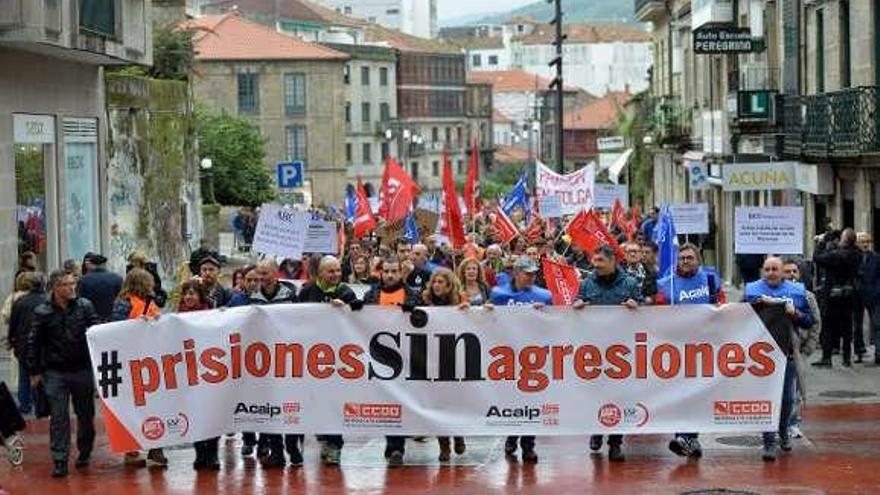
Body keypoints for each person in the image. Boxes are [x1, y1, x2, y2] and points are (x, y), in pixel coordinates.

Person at [26, 270, 100, 478]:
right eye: (67, 284)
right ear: (56, 288)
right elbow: (33, 343)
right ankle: (60, 459)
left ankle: (84, 451)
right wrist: (34, 371)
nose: (72, 287)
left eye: (73, 283)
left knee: (86, 416)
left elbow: (96, 331)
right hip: (55, 371)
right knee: (58, 417)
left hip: (81, 369)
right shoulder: (42, 311)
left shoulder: (85, 306)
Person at [654, 243, 724, 459]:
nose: (685, 261)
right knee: (681, 394)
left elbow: (722, 305)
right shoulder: (666, 284)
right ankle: (686, 437)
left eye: (689, 258)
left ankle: (688, 437)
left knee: (698, 394)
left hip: (704, 347)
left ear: (698, 260)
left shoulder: (711, 280)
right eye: (682, 258)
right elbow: (657, 313)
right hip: (675, 348)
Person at [743, 256, 814, 461]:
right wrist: (754, 307)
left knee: (787, 400)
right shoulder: (752, 290)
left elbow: (809, 322)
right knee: (767, 400)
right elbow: (738, 315)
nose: (771, 273)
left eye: (775, 269)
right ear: (762, 271)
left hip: (788, 353)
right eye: (767, 269)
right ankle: (769, 442)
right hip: (762, 356)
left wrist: (795, 314)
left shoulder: (797, 292)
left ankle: (783, 430)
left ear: (783, 271)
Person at [574, 244, 641, 462]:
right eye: (595, 261)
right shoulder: (586, 284)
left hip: (621, 353)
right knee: (595, 395)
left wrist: (637, 306)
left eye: (601, 261)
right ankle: (596, 431)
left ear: (613, 261)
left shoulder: (630, 284)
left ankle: (615, 443)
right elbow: (576, 307)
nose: (596, 265)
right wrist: (578, 306)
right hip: (594, 353)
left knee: (619, 397)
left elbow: (645, 314)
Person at [489, 255, 552, 464]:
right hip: (506, 356)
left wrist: (546, 314)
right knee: (510, 400)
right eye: (528, 273)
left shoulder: (543, 295)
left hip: (533, 357)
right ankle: (511, 436)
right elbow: (490, 320)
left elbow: (555, 323)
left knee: (531, 400)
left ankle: (528, 445)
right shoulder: (499, 294)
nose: (532, 277)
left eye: (534, 273)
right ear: (516, 273)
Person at [297, 256, 358, 465]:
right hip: (311, 357)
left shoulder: (346, 292)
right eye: (331, 271)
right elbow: (293, 317)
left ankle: (335, 445)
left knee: (334, 402)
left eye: (338, 271)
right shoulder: (307, 291)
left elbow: (361, 317)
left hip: (338, 359)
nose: (336, 275)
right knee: (315, 399)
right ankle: (323, 434)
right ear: (320, 273)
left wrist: (347, 309)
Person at [362, 257, 420, 467]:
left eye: (394, 271)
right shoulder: (371, 295)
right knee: (387, 402)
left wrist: (412, 309)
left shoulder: (412, 294)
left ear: (400, 272)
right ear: (381, 273)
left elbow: (424, 318)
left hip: (407, 355)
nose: (389, 275)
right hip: (381, 356)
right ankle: (392, 442)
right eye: (386, 271)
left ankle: (397, 446)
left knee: (401, 402)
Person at [247, 260, 300, 467]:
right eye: (259, 273)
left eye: (265, 274)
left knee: (293, 406)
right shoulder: (251, 297)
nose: (261, 278)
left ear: (275, 274)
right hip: (264, 361)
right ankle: (276, 450)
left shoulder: (291, 295)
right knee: (269, 406)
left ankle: (293, 446)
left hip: (289, 358)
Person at [110, 268, 165, 468]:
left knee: (154, 405)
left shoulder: (150, 303)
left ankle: (156, 447)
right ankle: (131, 451)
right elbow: (116, 330)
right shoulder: (124, 304)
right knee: (131, 407)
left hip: (149, 361)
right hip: (130, 362)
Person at [419, 268, 467, 462]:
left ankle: (458, 434)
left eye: (441, 282)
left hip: (455, 356)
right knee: (437, 403)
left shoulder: (460, 301)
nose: (437, 285)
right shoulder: (424, 300)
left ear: (449, 285)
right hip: (431, 357)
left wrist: (468, 311)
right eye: (435, 282)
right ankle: (444, 446)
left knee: (455, 402)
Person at [174, 279, 219, 470]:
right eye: (186, 293)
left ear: (200, 295)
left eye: (192, 293)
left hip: (210, 371)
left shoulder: (212, 314)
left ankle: (213, 453)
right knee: (194, 414)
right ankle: (200, 453)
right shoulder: (176, 317)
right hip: (188, 373)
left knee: (213, 413)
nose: (188, 297)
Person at [781, 258, 821, 439]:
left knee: (795, 388)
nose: (791, 275)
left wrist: (808, 349)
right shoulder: (775, 295)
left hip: (798, 351)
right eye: (787, 272)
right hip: (777, 351)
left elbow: (815, 323)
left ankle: (793, 422)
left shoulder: (807, 296)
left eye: (794, 272)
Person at [813, 228, 861, 367]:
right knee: (847, 327)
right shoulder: (857, 254)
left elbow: (817, 257)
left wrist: (821, 242)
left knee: (828, 326)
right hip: (849, 294)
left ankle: (826, 358)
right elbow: (853, 247)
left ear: (844, 240)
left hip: (833, 295)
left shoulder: (836, 255)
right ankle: (847, 358)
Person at [6, 272, 45, 415]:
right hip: (43, 343)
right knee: (44, 374)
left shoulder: (19, 302)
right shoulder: (47, 300)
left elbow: (13, 325)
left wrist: (11, 341)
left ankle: (25, 404)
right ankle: (42, 403)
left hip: (23, 344)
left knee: (24, 376)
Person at [77, 253, 123, 323]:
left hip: (91, 318)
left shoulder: (83, 280)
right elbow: (121, 299)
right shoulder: (117, 278)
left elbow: (80, 300)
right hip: (112, 318)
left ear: (93, 264)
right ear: (104, 264)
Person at [854, 232, 877, 363]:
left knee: (876, 323)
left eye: (867, 241)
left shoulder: (876, 257)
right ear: (857, 243)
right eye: (862, 242)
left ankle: (876, 348)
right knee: (857, 324)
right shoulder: (853, 257)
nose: (865, 244)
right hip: (856, 295)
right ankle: (859, 352)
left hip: (872, 294)